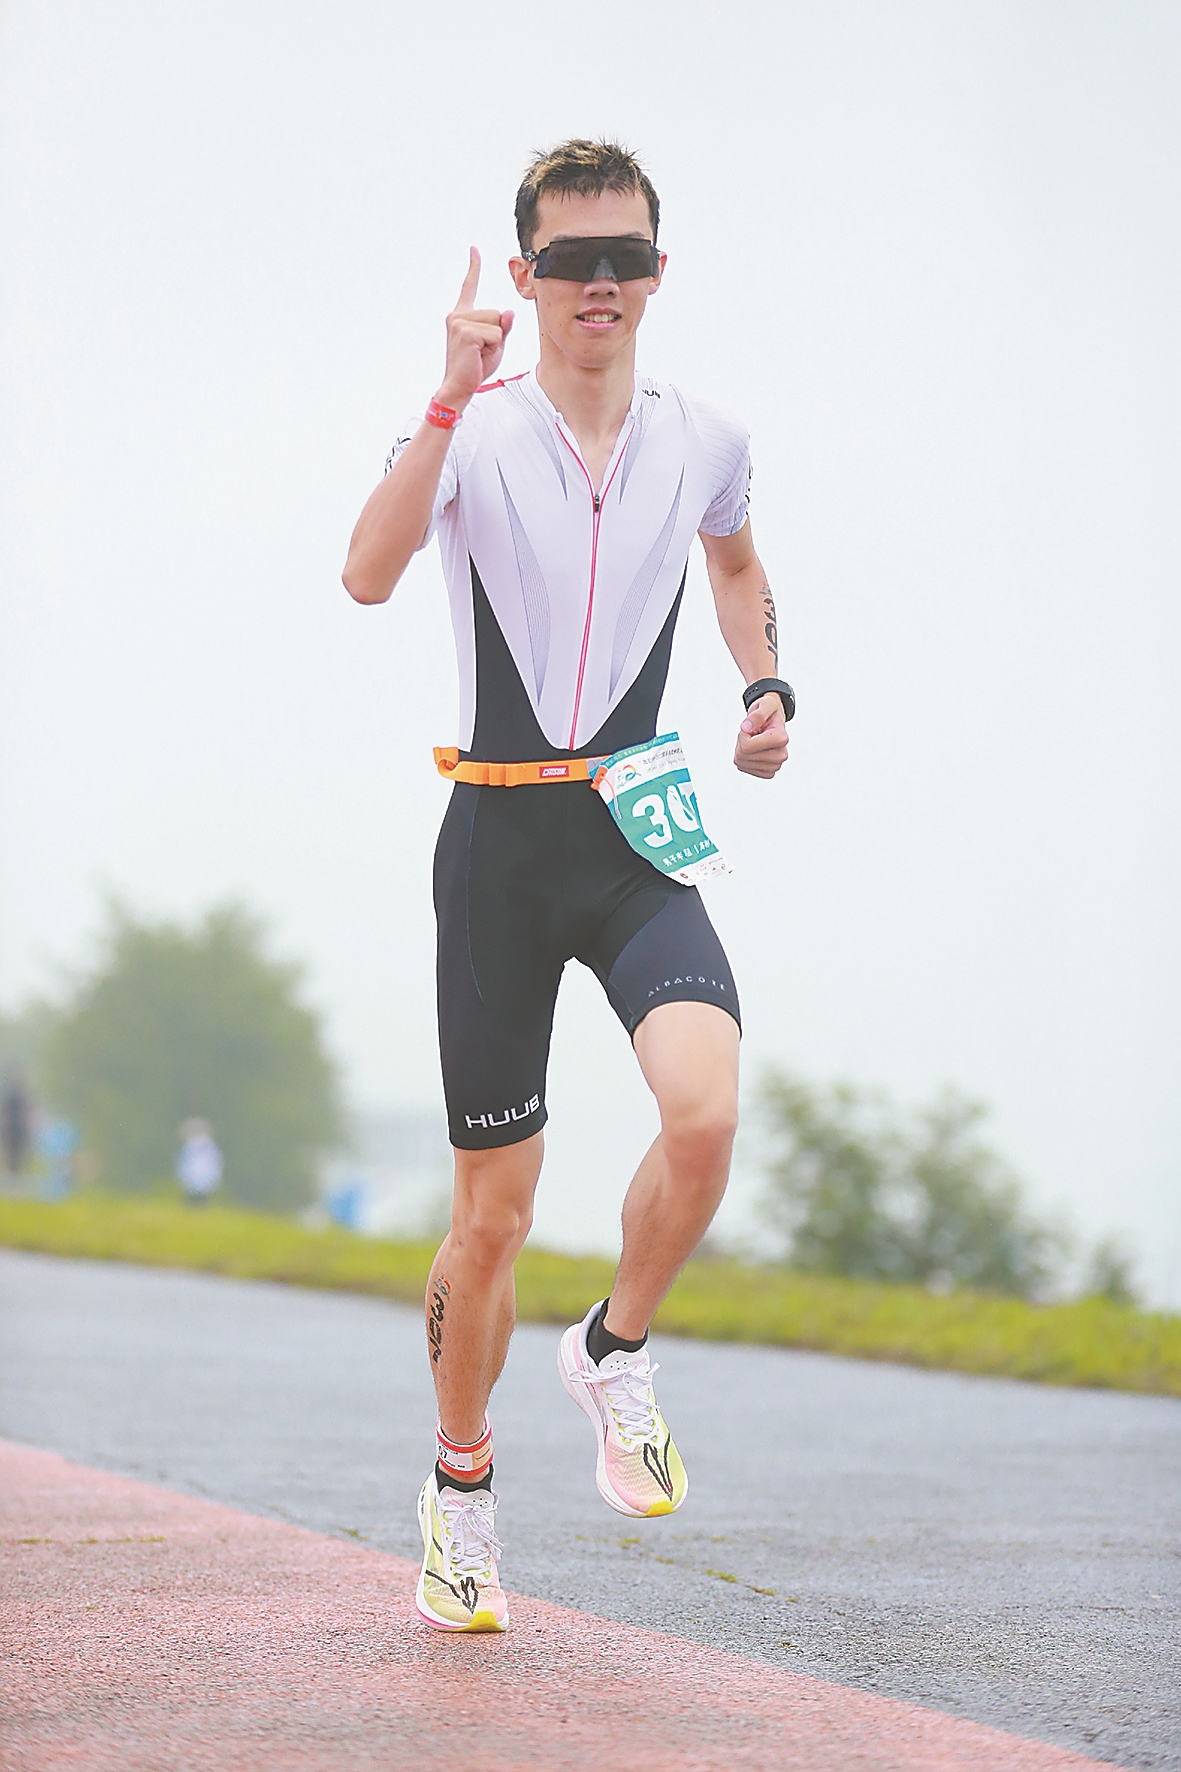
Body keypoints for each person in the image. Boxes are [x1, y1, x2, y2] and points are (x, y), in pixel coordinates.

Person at [343, 140, 792, 1634]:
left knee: (706, 1114)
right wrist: (442, 396)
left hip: (632, 828)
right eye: (572, 260)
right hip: (496, 842)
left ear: (658, 274)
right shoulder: (472, 428)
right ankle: (461, 1486)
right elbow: (365, 572)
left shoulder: (706, 434)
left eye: (626, 258)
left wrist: (765, 683)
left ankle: (612, 1347)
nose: (600, 284)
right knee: (492, 1220)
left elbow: (736, 567)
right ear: (526, 275)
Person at [175, 1119, 224, 1206]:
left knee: (200, 1191)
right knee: (195, 1191)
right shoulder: (189, 1146)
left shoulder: (207, 1146)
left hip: (201, 1175)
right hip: (194, 1175)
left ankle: (199, 1203)